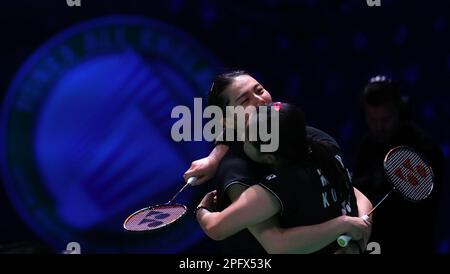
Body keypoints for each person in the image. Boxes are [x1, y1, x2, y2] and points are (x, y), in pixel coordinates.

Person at [184, 70, 373, 253]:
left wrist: (201, 208)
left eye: (259, 91)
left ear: (270, 158)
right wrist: (352, 232)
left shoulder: (283, 179)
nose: (259, 101)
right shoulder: (237, 169)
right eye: (245, 100)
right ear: (226, 121)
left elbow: (272, 243)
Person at [353, 75, 444, 254]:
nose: (379, 126)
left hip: (413, 244)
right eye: (373, 120)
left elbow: (424, 205)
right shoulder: (366, 145)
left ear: (400, 111)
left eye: (385, 119)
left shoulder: (424, 146)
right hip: (376, 245)